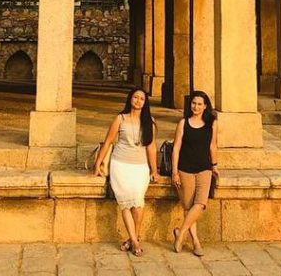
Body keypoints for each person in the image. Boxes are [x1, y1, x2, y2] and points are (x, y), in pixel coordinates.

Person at [92, 87, 160, 257]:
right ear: (130, 99)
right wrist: (98, 164)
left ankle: (131, 238)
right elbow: (108, 142)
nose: (138, 101)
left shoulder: (149, 122)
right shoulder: (120, 118)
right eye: (135, 97)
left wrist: (155, 170)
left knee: (137, 200)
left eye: (142, 99)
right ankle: (136, 241)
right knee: (125, 202)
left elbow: (151, 147)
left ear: (145, 103)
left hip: (140, 166)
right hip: (120, 164)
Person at [171, 90, 218, 256]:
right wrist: (174, 172)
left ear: (205, 106)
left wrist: (215, 165)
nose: (196, 106)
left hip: (204, 167)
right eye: (193, 103)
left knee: (200, 203)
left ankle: (181, 232)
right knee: (189, 207)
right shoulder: (183, 123)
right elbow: (176, 148)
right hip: (185, 168)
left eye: (199, 104)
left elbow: (213, 145)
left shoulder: (212, 122)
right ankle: (196, 241)